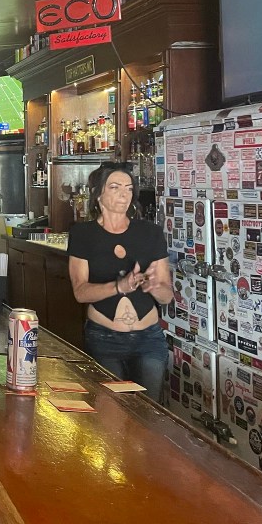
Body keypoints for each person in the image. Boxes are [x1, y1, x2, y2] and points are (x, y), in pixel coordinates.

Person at [67, 162, 173, 398]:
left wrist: (154, 287)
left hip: (149, 339)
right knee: (111, 409)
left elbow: (167, 296)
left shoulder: (150, 233)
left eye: (128, 188)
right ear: (98, 194)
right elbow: (80, 292)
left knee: (149, 410)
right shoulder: (83, 234)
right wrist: (119, 286)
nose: (124, 195)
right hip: (104, 339)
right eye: (115, 187)